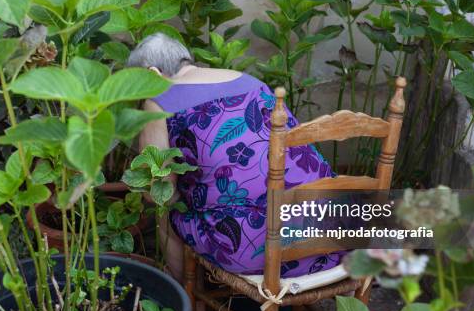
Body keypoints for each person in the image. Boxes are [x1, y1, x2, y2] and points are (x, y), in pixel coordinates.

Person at [129, 33, 345, 283]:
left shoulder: (158, 100)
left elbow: (156, 191)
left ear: (152, 73)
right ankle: (348, 292)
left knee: (164, 212)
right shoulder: (251, 82)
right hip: (334, 228)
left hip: (254, 249)